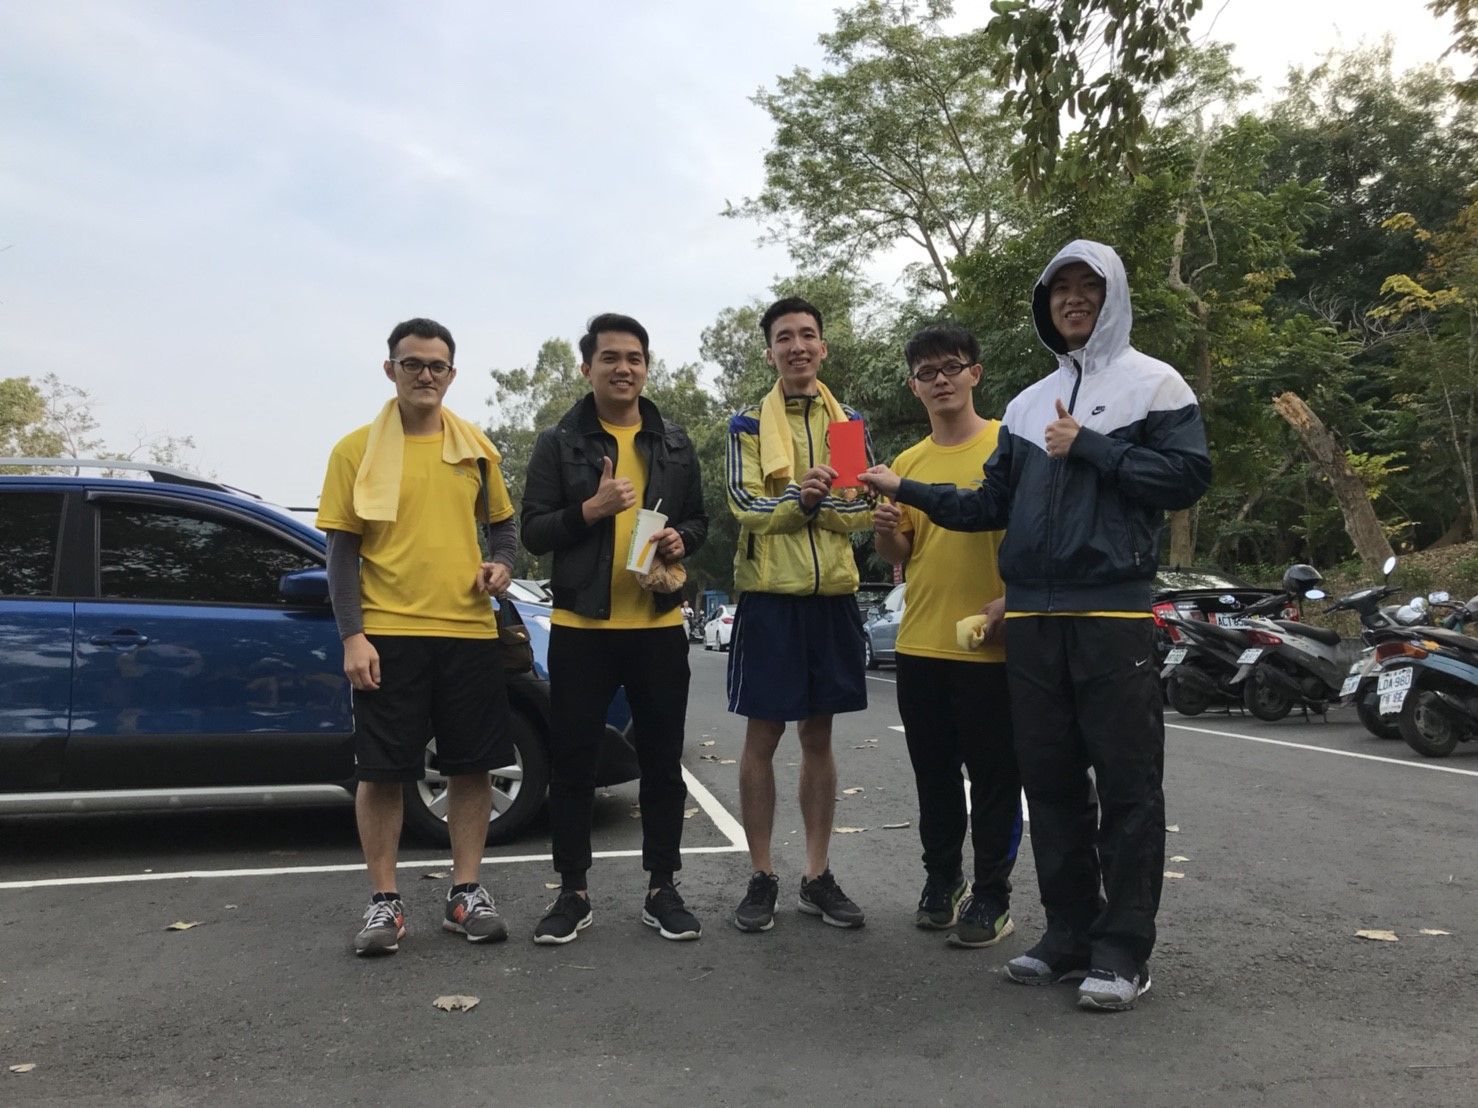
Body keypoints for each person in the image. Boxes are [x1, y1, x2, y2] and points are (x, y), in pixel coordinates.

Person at [860, 241, 1212, 1011]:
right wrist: (906, 489)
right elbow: (988, 506)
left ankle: (1122, 953)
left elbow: (1188, 477)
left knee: (1127, 788)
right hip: (1031, 618)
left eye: (1089, 287)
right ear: (1046, 304)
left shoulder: (1155, 383)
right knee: (1049, 786)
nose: (1074, 299)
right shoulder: (1025, 406)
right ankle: (1068, 936)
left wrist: (1092, 447)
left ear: (1113, 296)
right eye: (1061, 289)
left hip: (1110, 613)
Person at [318, 317, 518, 956]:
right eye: (412, 364)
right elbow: (340, 554)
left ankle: (466, 893)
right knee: (381, 773)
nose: (425, 375)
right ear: (391, 370)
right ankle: (385, 901)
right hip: (388, 634)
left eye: (436, 366)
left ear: (452, 375)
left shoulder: (476, 449)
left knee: (472, 766)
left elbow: (504, 529)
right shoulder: (354, 451)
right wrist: (353, 637)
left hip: (468, 630)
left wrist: (502, 566)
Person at [521, 313, 708, 944]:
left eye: (634, 358)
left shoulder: (674, 442)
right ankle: (572, 892)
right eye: (610, 358)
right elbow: (534, 531)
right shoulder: (559, 443)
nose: (623, 368)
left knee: (662, 763)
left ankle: (663, 888)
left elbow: (699, 520)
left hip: (658, 624)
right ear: (587, 368)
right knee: (573, 762)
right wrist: (591, 509)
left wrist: (683, 539)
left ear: (646, 368)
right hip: (582, 626)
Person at [725, 296, 876, 933]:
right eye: (784, 337)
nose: (797, 346)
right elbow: (743, 503)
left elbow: (863, 508)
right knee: (763, 738)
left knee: (819, 737)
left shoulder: (848, 425)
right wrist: (801, 500)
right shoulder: (746, 423)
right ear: (770, 353)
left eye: (807, 335)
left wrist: (817, 503)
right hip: (770, 598)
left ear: (823, 347)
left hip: (832, 597)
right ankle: (762, 875)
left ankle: (817, 875)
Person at [872, 323, 1022, 947]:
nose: (940, 381)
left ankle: (992, 896)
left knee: (995, 779)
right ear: (914, 387)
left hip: (991, 640)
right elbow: (900, 554)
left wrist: (1013, 602)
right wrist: (886, 530)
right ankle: (943, 880)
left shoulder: (1008, 445)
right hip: (921, 643)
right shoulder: (907, 464)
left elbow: (1038, 537)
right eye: (926, 373)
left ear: (975, 374)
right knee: (933, 779)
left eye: (951, 368)